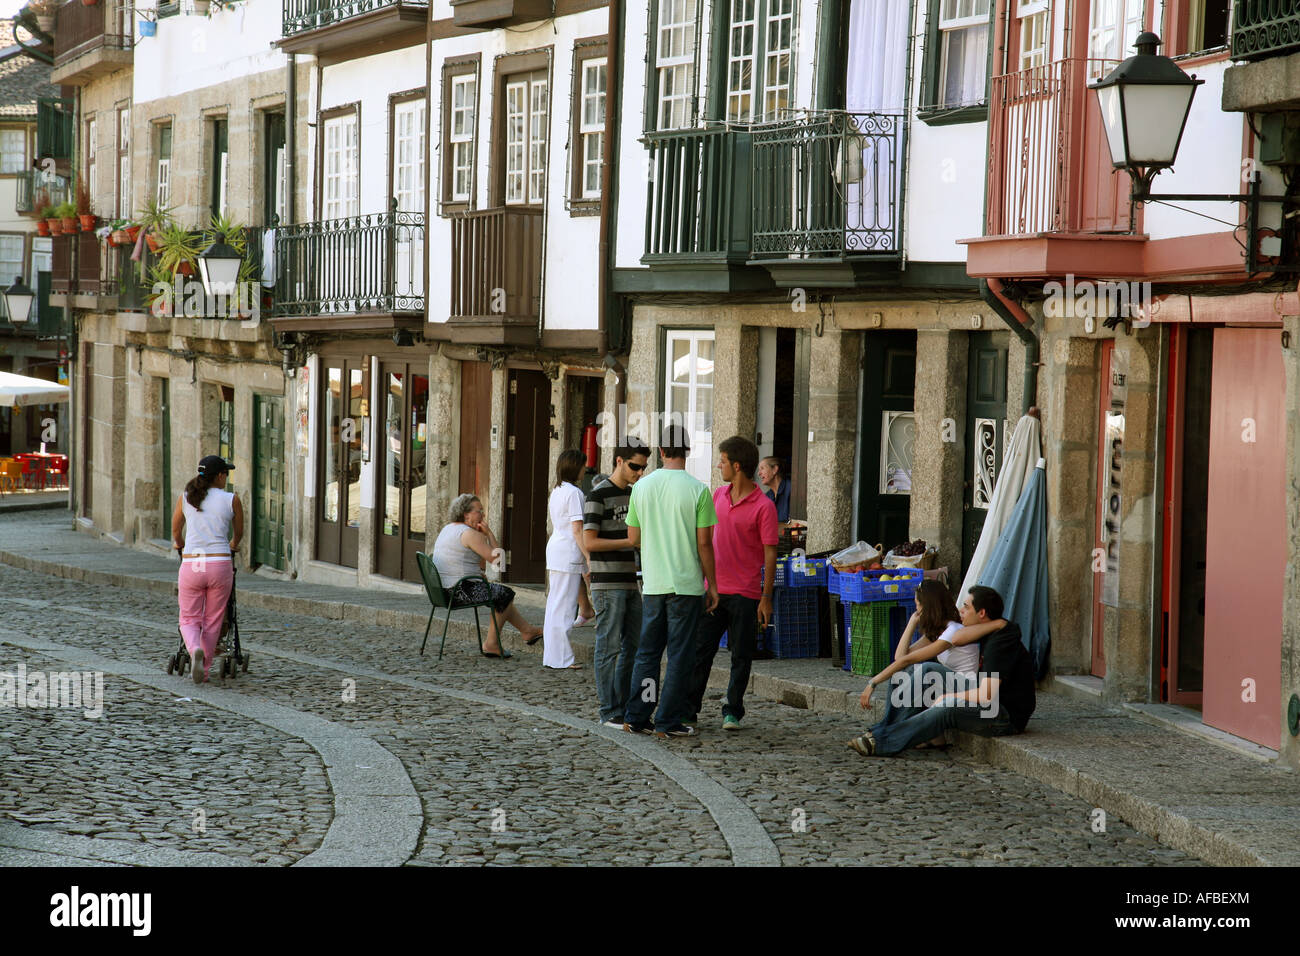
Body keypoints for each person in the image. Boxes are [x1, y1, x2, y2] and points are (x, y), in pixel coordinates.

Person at [847, 585, 1036, 757]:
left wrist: (948, 698)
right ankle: (884, 731)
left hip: (1003, 716)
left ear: (982, 613)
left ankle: (881, 741)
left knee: (943, 701)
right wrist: (999, 623)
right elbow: (958, 637)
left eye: (966, 607)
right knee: (914, 672)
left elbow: (987, 695)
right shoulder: (992, 630)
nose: (961, 610)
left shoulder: (1000, 645)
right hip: (988, 701)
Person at [623, 425, 719, 738]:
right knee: (680, 656)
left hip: (653, 585)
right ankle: (667, 719)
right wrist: (713, 585)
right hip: (686, 586)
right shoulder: (699, 490)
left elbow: (634, 538)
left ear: (662, 452)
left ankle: (638, 714)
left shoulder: (642, 487)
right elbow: (704, 544)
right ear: (687, 452)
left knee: (648, 654)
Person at [687, 435, 778, 732]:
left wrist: (766, 598)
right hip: (713, 590)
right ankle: (689, 709)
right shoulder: (717, 496)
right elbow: (705, 541)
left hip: (746, 593)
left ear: (737, 466)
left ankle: (733, 711)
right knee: (701, 652)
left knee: (741, 655)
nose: (718, 465)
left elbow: (770, 554)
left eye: (722, 461)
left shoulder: (764, 506)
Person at [583, 438, 649, 726]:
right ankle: (608, 710)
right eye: (635, 466)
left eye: (644, 468)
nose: (639, 472)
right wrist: (630, 541)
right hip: (607, 582)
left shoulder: (635, 494)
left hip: (630, 580)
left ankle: (622, 705)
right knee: (608, 647)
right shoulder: (597, 495)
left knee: (633, 646)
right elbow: (589, 542)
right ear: (619, 461)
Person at [430, 493, 543, 657]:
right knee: (504, 594)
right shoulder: (469, 533)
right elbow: (499, 561)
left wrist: (477, 574)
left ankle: (527, 631)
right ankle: (491, 644)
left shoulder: (448, 529)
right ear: (466, 514)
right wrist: (489, 533)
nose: (483, 514)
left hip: (442, 591)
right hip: (458, 590)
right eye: (479, 511)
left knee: (499, 595)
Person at [171, 455, 243, 685]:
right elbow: (238, 533)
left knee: (189, 617)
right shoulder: (232, 499)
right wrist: (233, 545)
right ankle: (205, 666)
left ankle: (194, 651)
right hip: (219, 563)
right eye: (226, 474)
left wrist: (179, 545)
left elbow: (175, 530)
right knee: (213, 620)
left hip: (193, 563)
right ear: (220, 476)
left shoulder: (186, 497)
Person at [543, 450, 590, 669]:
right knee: (564, 607)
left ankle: (553, 656)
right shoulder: (574, 493)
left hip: (556, 550)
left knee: (554, 605)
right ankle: (562, 658)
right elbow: (577, 529)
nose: (585, 469)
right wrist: (588, 556)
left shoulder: (558, 490)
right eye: (582, 465)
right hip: (568, 551)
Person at [757, 456, 791, 523]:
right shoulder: (766, 497)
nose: (759, 473)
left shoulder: (791, 490)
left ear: (774, 469)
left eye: (762, 468)